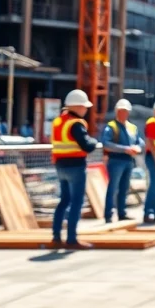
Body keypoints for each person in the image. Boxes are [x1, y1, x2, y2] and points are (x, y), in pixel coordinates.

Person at [50, 89, 101, 250]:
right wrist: (94, 141)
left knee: (64, 201)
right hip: (75, 167)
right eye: (84, 107)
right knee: (76, 202)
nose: (86, 110)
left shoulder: (59, 121)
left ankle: (56, 236)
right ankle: (71, 239)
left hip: (60, 166)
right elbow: (86, 145)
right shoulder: (76, 124)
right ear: (77, 107)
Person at [102, 99, 144, 223]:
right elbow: (106, 144)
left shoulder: (132, 127)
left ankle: (122, 213)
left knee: (124, 188)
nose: (123, 113)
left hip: (129, 161)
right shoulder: (111, 126)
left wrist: (138, 147)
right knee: (113, 188)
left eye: (125, 111)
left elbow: (139, 141)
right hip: (116, 161)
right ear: (116, 111)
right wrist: (125, 149)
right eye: (121, 111)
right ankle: (108, 215)